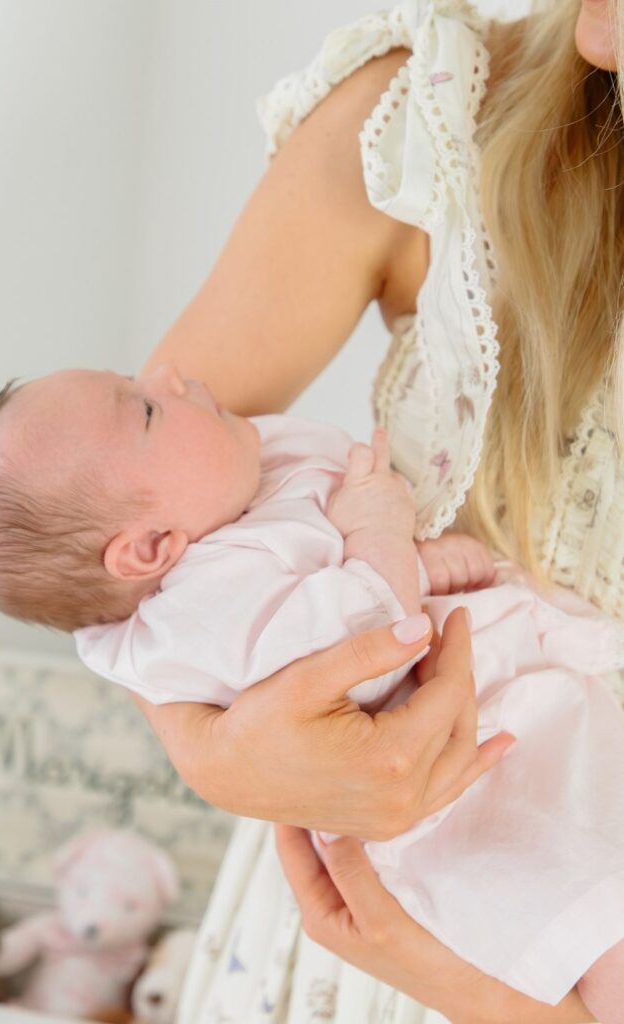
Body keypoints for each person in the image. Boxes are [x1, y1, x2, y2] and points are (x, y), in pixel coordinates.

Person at [121, 0, 624, 1019]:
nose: (598, 32)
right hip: (411, 884)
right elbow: (121, 518)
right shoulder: (429, 113)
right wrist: (215, 753)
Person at [0, 357, 624, 1017]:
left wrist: (419, 564)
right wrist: (378, 529)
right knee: (587, 921)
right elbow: (364, 646)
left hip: (510, 732)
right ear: (147, 549)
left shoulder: (225, 503)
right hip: (463, 794)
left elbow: (348, 587)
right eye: (144, 405)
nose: (169, 371)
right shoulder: (204, 604)